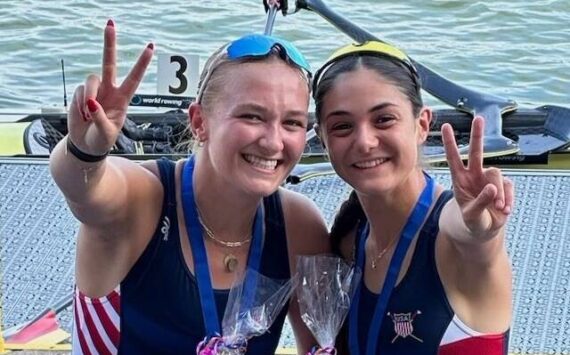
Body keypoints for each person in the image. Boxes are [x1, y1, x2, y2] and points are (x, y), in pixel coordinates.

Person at [49, 20, 329, 354]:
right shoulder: (144, 200)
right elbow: (85, 193)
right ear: (199, 122)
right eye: (252, 116)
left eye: (292, 123)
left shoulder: (299, 225)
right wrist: (85, 152)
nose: (273, 142)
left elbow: (319, 344)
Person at [312, 41, 513, 354]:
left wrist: (482, 232)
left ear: (422, 125)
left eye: (384, 119)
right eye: (342, 126)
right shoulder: (349, 240)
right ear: (322, 140)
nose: (364, 141)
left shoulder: (452, 234)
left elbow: (471, 239)